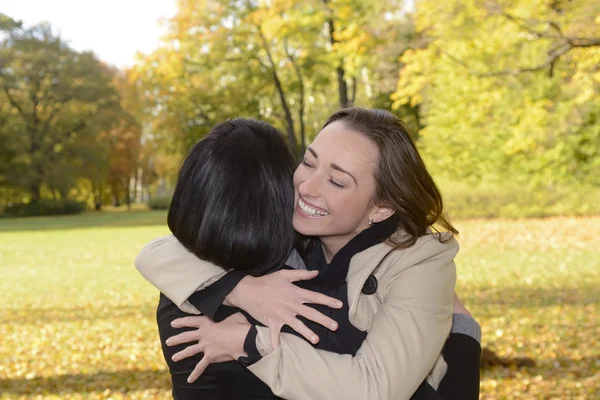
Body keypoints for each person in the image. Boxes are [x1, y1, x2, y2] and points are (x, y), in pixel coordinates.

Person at [137, 110, 481, 400]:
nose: (307, 186)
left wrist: (247, 342)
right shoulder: (292, 231)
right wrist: (240, 289)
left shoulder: (417, 263)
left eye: (337, 181)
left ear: (380, 208)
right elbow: (166, 249)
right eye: (309, 162)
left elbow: (375, 389)